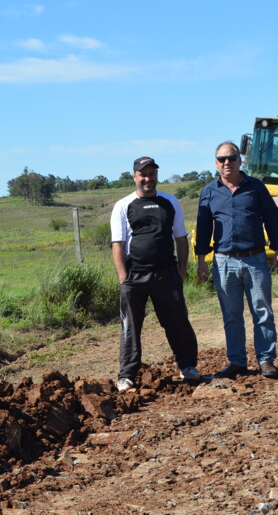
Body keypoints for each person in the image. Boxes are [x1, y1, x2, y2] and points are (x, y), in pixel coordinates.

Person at [195, 141, 278, 379]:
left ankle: (266, 360)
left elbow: (272, 219)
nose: (227, 163)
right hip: (224, 261)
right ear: (216, 163)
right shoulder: (209, 191)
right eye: (222, 159)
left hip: (255, 258)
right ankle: (237, 361)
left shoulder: (255, 187)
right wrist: (201, 259)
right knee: (231, 314)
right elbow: (203, 226)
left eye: (232, 158)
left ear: (240, 160)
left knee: (262, 311)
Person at [111, 156, 200, 391]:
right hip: (135, 277)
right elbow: (118, 245)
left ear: (156, 176)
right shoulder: (123, 205)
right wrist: (124, 279)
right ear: (134, 177)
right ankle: (127, 375)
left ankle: (188, 366)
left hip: (166, 274)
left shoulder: (170, 202)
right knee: (130, 327)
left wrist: (181, 270)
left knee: (178, 322)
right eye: (143, 174)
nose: (148, 178)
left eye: (151, 174)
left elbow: (181, 239)